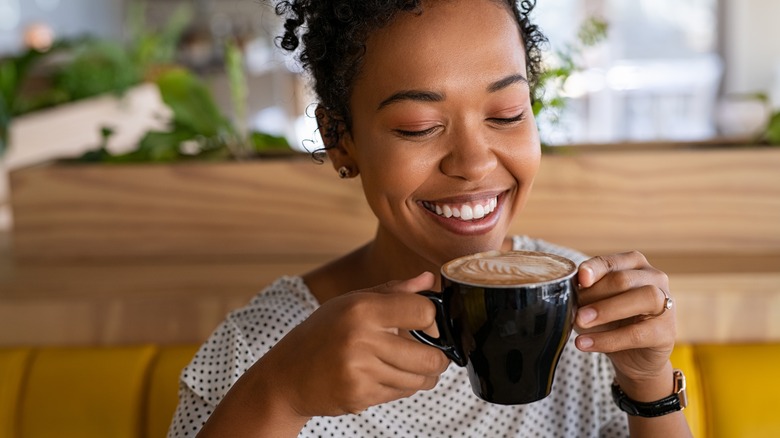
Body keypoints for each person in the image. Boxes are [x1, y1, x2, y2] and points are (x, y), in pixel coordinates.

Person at [168, 0, 692, 436]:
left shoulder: (591, 314)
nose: (474, 163)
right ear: (339, 138)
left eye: (507, 114)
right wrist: (279, 395)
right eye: (418, 127)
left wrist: (647, 381)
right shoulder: (258, 351)